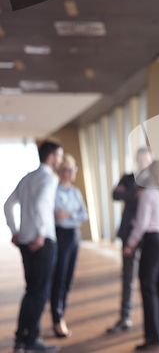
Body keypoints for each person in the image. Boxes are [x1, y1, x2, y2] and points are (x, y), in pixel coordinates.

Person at [4, 141, 63, 353]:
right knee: (40, 293)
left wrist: (14, 230)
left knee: (31, 291)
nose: (61, 160)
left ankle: (21, 339)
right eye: (59, 156)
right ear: (51, 157)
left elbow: (8, 204)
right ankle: (31, 342)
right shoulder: (49, 178)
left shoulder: (27, 177)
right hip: (42, 241)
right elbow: (41, 204)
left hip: (25, 240)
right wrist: (39, 233)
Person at [123, 160, 159, 350]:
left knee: (148, 287)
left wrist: (130, 244)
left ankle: (153, 336)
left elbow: (141, 224)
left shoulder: (147, 194)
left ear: (150, 174)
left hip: (153, 244)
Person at [107, 148, 152, 333]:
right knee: (128, 278)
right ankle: (125, 318)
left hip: (148, 236)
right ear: (136, 160)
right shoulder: (127, 177)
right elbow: (115, 195)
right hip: (128, 235)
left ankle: (151, 325)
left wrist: (129, 193)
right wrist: (135, 193)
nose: (143, 164)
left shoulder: (155, 182)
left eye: (146, 161)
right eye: (140, 160)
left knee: (148, 280)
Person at [51, 154, 88, 338]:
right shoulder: (54, 191)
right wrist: (74, 214)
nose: (72, 172)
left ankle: (61, 315)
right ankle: (57, 320)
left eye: (74, 169)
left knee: (68, 280)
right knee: (59, 277)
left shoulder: (75, 192)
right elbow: (58, 216)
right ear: (61, 172)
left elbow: (85, 215)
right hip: (62, 236)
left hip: (75, 236)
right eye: (68, 169)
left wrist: (69, 214)